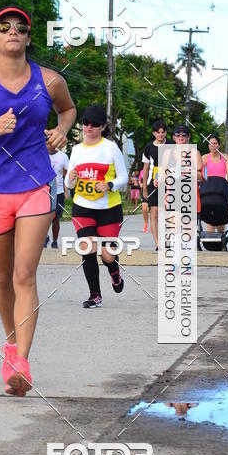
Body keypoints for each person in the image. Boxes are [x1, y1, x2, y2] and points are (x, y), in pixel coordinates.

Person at [0, 7, 76, 396]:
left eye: (20, 29)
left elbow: (69, 109)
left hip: (36, 187)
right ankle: (10, 344)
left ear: (27, 39)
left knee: (24, 275)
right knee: (3, 278)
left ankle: (22, 362)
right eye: (3, 28)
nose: (12, 33)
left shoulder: (50, 80)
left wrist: (61, 129)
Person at [65, 104, 128, 308]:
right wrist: (71, 178)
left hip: (109, 208)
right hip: (82, 206)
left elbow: (124, 178)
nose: (89, 127)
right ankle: (95, 294)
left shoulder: (110, 148)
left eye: (94, 124)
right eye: (85, 123)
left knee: (107, 254)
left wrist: (109, 184)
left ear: (103, 127)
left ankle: (115, 273)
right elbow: (69, 183)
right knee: (88, 248)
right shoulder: (75, 150)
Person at [142, 119, 168, 250]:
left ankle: (166, 239)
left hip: (169, 183)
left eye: (163, 132)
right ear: (154, 133)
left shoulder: (171, 145)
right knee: (154, 212)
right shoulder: (148, 148)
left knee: (166, 212)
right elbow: (146, 169)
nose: (161, 135)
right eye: (158, 132)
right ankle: (158, 244)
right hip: (153, 183)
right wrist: (145, 189)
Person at [202, 133, 228, 232]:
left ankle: (221, 239)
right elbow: (201, 171)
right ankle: (210, 238)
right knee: (209, 212)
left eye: (215, 143)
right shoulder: (205, 157)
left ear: (219, 145)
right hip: (209, 188)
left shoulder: (225, 157)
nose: (213, 146)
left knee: (221, 213)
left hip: (221, 188)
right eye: (211, 144)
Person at [44, 140, 69, 248]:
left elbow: (67, 174)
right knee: (43, 218)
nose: (50, 145)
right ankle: (44, 238)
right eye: (47, 143)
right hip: (43, 192)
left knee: (56, 218)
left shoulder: (62, 157)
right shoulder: (40, 155)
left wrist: (66, 190)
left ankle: (54, 240)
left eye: (52, 143)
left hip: (58, 192)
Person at [139, 167, 149, 232]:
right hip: (144, 192)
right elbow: (140, 179)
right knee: (144, 209)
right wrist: (140, 184)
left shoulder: (155, 169)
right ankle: (146, 223)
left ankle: (154, 224)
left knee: (154, 211)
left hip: (153, 192)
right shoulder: (142, 171)